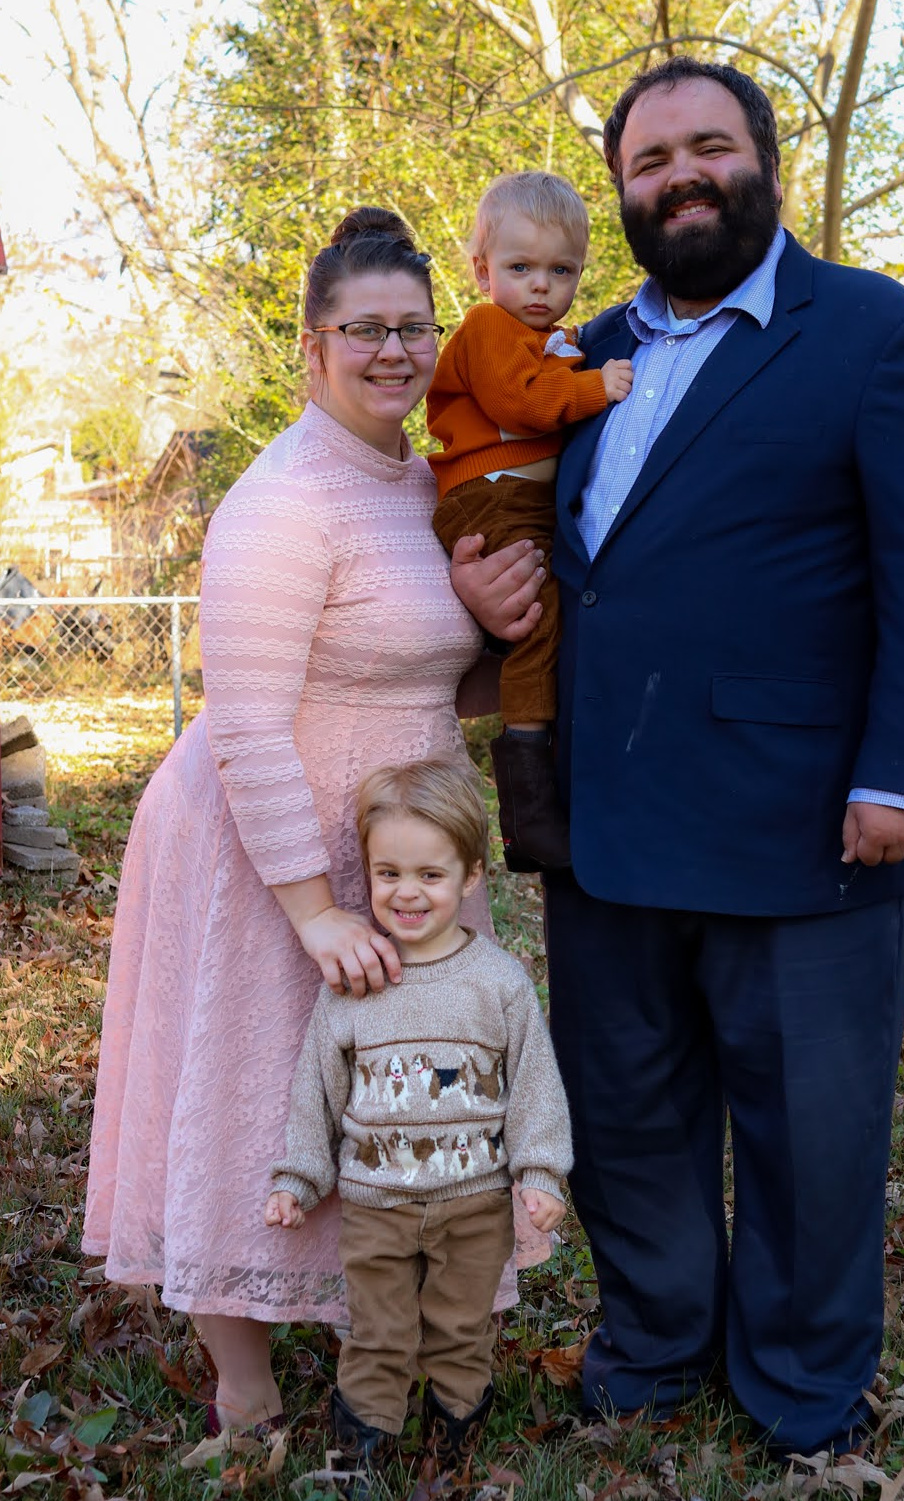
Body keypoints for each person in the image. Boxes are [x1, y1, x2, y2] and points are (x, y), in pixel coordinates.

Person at [450, 59, 904, 1457]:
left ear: (764, 159)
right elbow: (538, 535)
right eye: (649, 162)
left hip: (799, 818)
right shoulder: (573, 358)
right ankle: (652, 1349)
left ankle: (802, 1385)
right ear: (623, 195)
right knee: (628, 1110)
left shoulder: (874, 333)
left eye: (707, 147)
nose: (680, 176)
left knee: (810, 1127)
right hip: (606, 814)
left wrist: (902, 773)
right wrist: (477, 590)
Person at [82, 206, 553, 1436]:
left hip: (407, 834)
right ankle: (242, 1389)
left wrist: (495, 637)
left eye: (414, 327)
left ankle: (378, 1340)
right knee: (252, 1085)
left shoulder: (422, 483)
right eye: (364, 330)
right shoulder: (281, 500)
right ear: (312, 345)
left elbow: (420, 672)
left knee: (398, 1090)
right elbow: (245, 725)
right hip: (268, 840)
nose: (393, 351)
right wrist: (312, 909)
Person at [265, 758, 572, 1492]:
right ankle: (361, 1445)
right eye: (389, 873)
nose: (407, 892)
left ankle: (455, 1432)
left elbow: (535, 1082)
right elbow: (316, 1087)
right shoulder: (355, 982)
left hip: (474, 1203)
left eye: (430, 875)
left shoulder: (498, 981)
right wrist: (298, 1177)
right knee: (377, 1330)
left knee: (461, 1326)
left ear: (470, 877)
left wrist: (540, 1171)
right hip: (376, 1204)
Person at [427, 171, 633, 872]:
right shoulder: (488, 327)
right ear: (482, 271)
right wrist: (596, 386)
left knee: (556, 615)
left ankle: (551, 775)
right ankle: (528, 807)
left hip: (521, 499)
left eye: (560, 270)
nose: (540, 286)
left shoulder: (550, 338)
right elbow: (521, 403)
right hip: (489, 494)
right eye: (520, 268)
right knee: (537, 623)